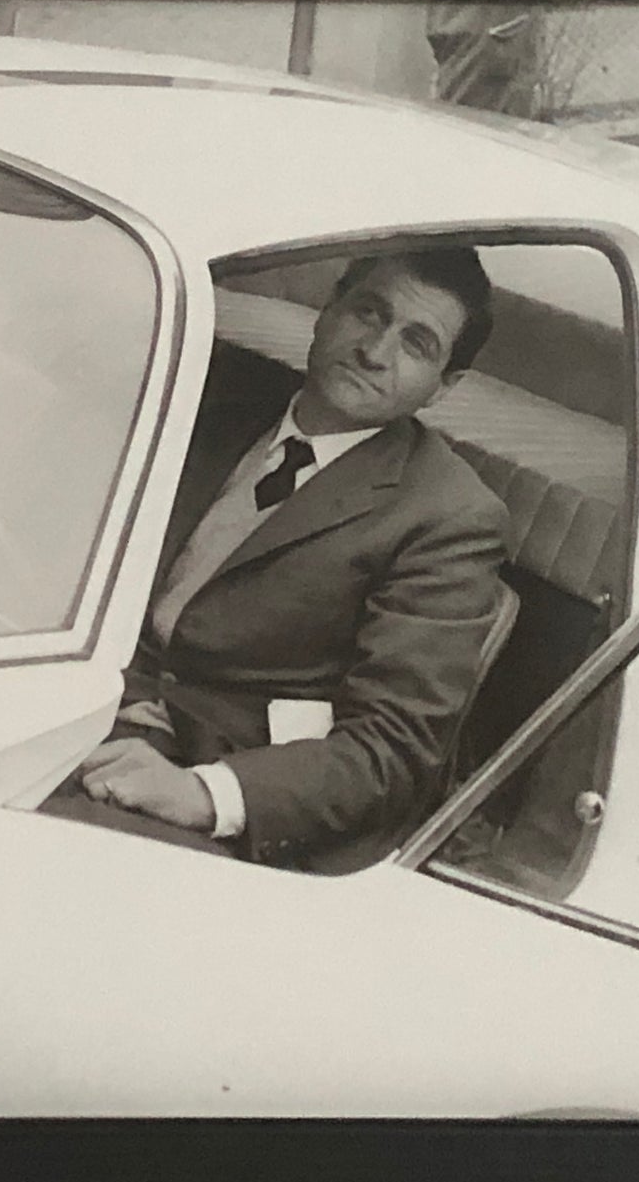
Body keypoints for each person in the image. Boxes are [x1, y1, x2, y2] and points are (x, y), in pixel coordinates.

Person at [40, 248, 509, 873]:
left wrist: (204, 793)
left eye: (416, 344)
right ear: (328, 308)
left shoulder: (449, 515)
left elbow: (392, 749)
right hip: (73, 696)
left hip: (215, 777)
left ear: (444, 387)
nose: (375, 351)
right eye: (368, 313)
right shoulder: (217, 398)